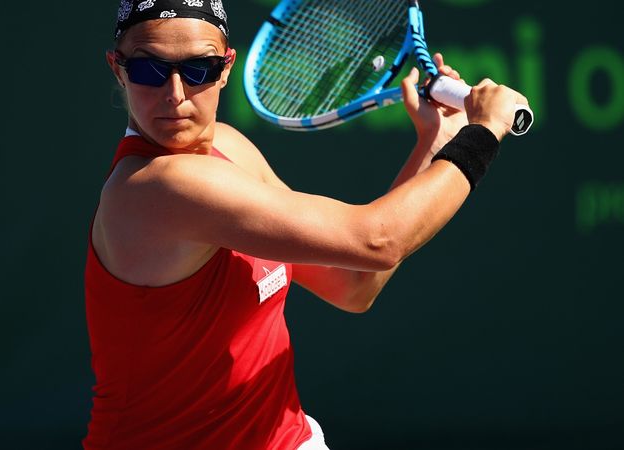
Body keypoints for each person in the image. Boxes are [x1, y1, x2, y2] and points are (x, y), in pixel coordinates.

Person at [84, 1, 527, 449]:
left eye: (199, 68)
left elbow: (352, 283)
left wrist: (437, 143)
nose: (175, 93)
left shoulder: (229, 148)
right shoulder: (155, 188)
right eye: (148, 70)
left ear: (225, 67)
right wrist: (483, 134)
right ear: (117, 69)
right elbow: (377, 241)